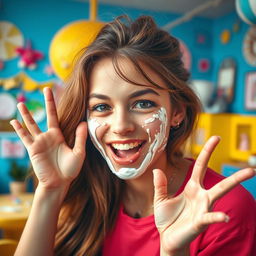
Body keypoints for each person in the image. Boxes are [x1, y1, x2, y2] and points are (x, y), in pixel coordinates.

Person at [12, 15, 255, 256]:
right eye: (101, 107)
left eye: (142, 104)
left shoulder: (225, 210)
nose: (120, 126)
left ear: (177, 112)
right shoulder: (86, 189)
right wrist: (51, 189)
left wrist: (174, 252)